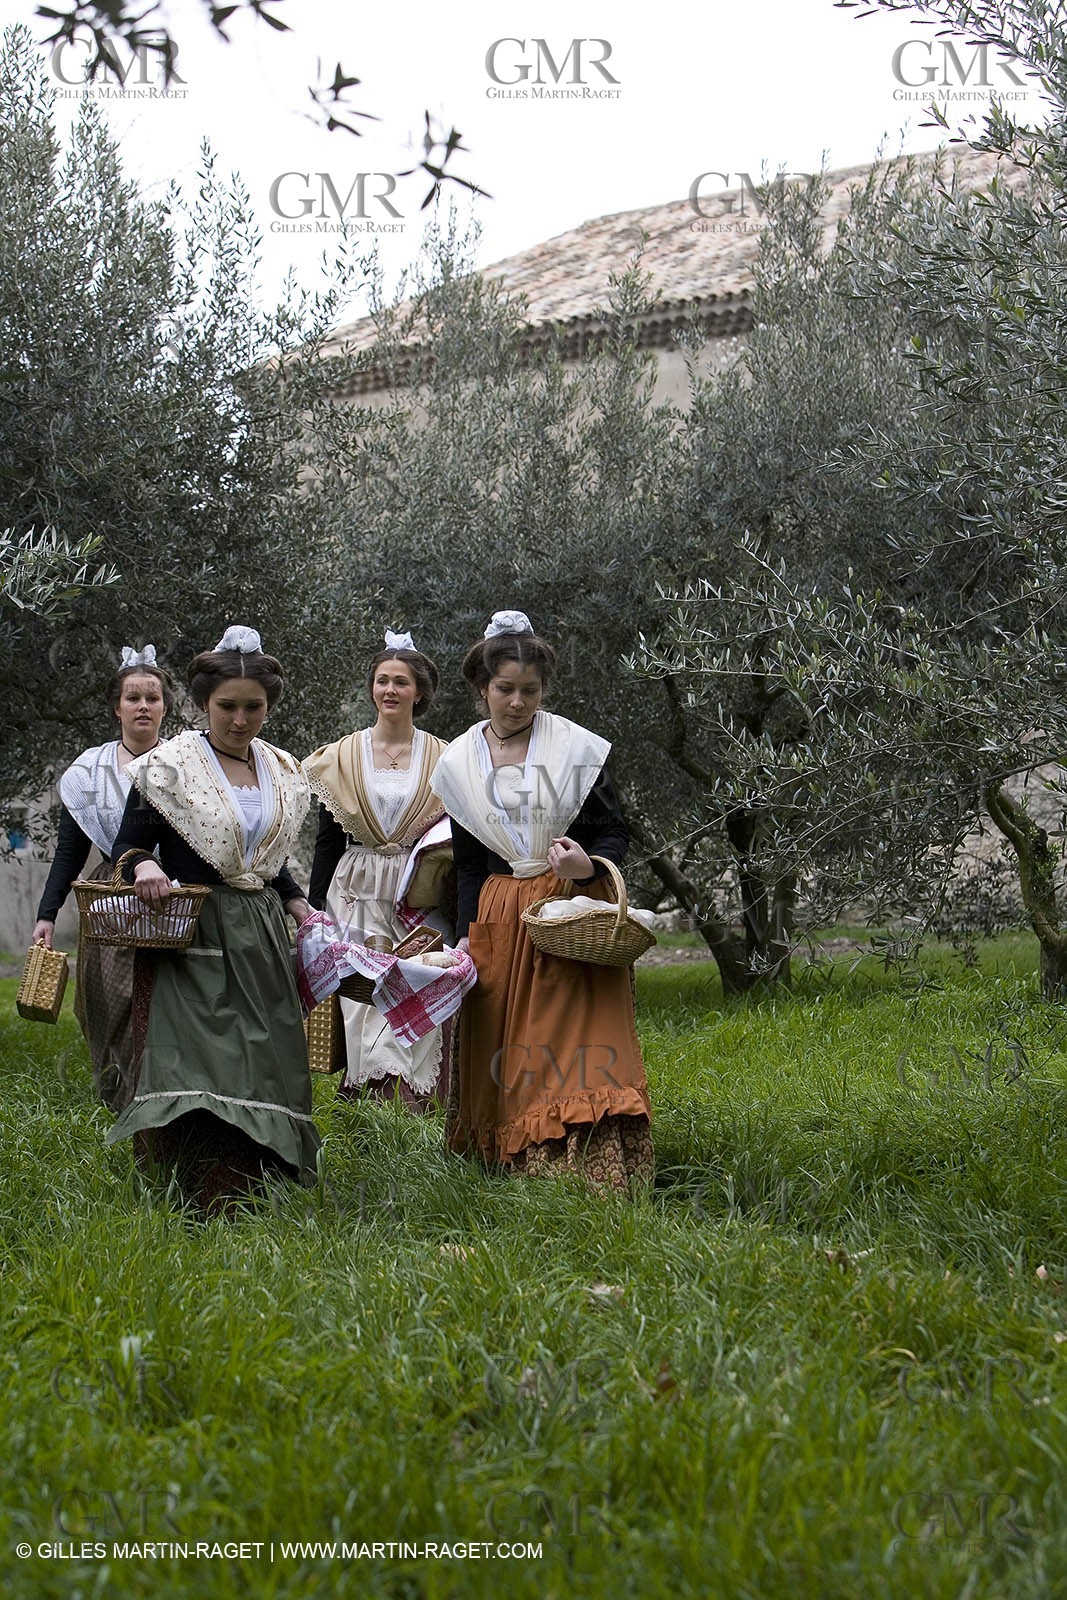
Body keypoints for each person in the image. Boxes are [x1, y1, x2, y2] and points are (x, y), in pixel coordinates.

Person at [431, 610, 654, 1191]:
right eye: (504, 689)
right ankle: (514, 1164)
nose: (517, 702)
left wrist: (586, 865)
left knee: (580, 1041)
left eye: (529, 691)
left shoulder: (577, 751)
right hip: (501, 913)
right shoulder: (459, 762)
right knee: (511, 1045)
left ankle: (591, 1168)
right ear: (482, 687)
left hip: (567, 911)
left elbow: (613, 832)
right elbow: (468, 864)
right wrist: (463, 937)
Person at [105, 626, 319, 1213]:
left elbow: (266, 860)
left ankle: (258, 1180)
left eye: (254, 707)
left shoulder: (281, 770)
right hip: (193, 931)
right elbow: (128, 848)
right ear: (204, 704)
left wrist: (298, 901)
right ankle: (197, 1187)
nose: (241, 718)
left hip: (260, 932)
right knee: (204, 1058)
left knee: (265, 1055)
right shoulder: (169, 766)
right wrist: (144, 866)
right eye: (228, 706)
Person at [305, 629, 451, 1110]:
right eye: (382, 680)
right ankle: (368, 1103)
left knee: (414, 977)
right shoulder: (341, 757)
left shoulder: (445, 758)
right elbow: (328, 842)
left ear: (420, 692)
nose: (390, 690)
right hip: (355, 886)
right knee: (363, 996)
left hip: (418, 888)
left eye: (401, 682)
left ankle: (413, 1102)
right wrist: (312, 911)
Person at [32, 645, 174, 1111]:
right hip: (108, 894)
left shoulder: (185, 764)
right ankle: (118, 1099)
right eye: (133, 698)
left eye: (152, 698)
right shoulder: (88, 772)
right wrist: (47, 915)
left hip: (175, 897)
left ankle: (162, 1100)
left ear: (164, 707)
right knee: (108, 1000)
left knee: (166, 1000)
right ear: (117, 707)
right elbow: (69, 852)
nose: (143, 707)